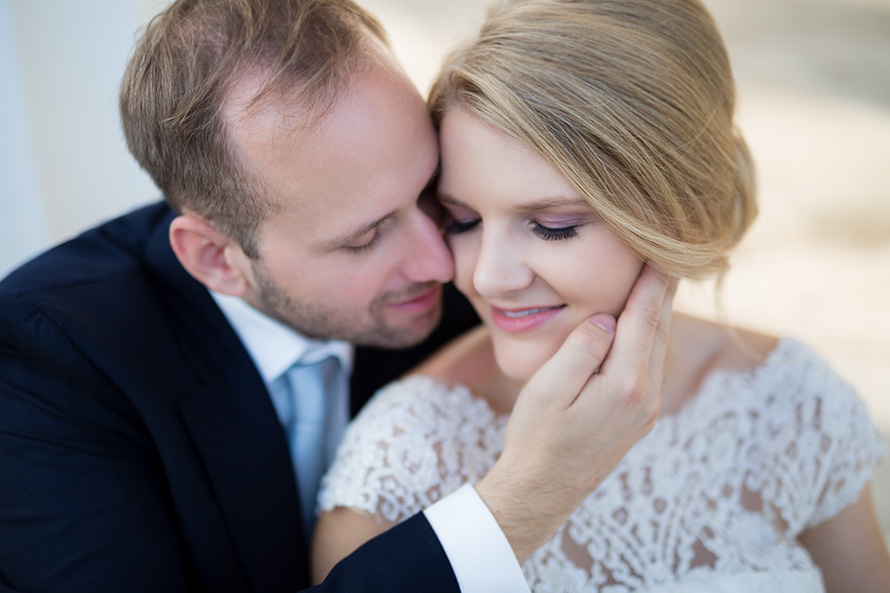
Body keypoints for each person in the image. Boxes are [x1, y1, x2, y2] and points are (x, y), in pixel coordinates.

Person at [0, 0, 676, 591]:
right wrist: (524, 500)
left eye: (435, 197)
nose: (446, 264)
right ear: (216, 258)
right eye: (368, 236)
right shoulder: (51, 362)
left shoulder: (473, 277)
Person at [312, 0, 890, 591]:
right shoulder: (397, 465)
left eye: (554, 225)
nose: (487, 278)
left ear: (680, 213)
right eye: (463, 220)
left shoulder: (790, 401)